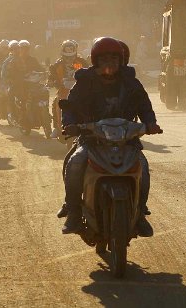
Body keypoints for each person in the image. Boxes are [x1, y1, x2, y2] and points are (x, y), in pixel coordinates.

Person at [59, 37, 162, 236]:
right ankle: (73, 211)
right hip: (91, 139)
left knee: (144, 168)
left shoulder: (131, 82)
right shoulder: (84, 81)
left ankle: (140, 214)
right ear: (96, 60)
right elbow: (70, 106)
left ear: (121, 60)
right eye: (104, 58)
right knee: (75, 163)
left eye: (114, 58)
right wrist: (69, 125)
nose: (110, 63)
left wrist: (150, 123)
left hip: (126, 140)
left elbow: (144, 105)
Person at [48, 40, 88, 138]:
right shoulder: (57, 65)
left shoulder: (80, 63)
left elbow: (87, 72)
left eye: (71, 56)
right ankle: (57, 128)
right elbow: (51, 75)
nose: (69, 59)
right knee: (56, 104)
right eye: (67, 57)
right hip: (63, 90)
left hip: (80, 91)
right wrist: (51, 81)